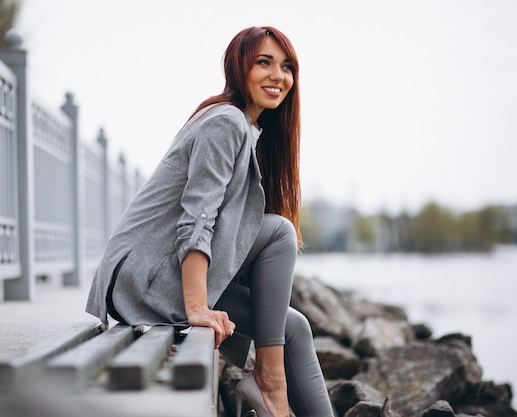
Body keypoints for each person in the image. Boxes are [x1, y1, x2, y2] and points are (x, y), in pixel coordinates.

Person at [85, 26, 334, 417]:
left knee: (295, 327)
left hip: (156, 278)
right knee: (280, 233)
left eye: (287, 67)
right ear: (239, 67)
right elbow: (197, 219)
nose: (278, 76)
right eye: (264, 63)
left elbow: (226, 228)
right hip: (144, 280)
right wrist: (198, 307)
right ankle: (270, 384)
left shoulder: (248, 130)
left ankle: (271, 387)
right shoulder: (226, 123)